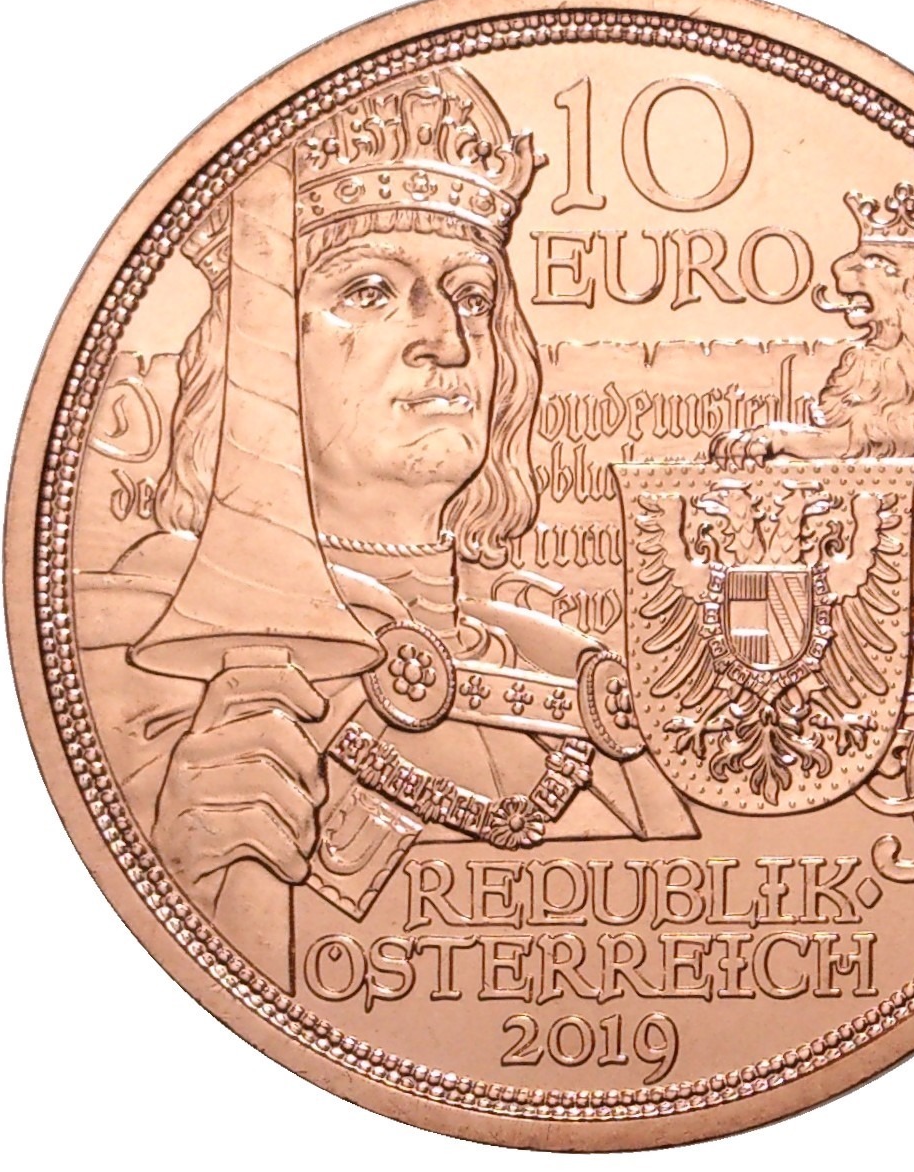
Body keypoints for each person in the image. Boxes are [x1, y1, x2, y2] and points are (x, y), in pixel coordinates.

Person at [76, 65, 697, 945]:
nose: (449, 340)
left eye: (473, 298)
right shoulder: (136, 644)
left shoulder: (564, 669)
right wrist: (182, 863)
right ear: (256, 357)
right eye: (368, 291)